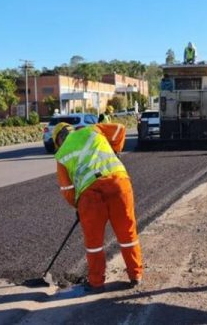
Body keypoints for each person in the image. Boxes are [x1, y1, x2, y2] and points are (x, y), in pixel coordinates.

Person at [51, 122, 143, 293]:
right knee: (127, 234)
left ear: (58, 140)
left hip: (90, 196)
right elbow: (119, 129)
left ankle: (96, 282)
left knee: (94, 243)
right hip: (118, 184)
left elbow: (67, 190)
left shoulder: (61, 155)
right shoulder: (92, 130)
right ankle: (135, 275)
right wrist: (116, 150)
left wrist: (78, 206)